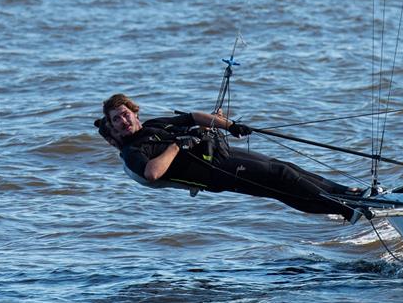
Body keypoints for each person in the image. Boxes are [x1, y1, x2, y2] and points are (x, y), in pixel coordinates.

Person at [95, 93, 367, 223]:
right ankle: (346, 208)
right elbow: (152, 173)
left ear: (135, 112)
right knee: (281, 180)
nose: (123, 120)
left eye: (125, 113)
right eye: (116, 119)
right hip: (216, 173)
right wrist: (178, 145)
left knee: (283, 168)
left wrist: (230, 126)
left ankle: (347, 194)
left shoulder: (156, 124)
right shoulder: (133, 151)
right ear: (114, 127)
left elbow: (193, 117)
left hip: (219, 155)